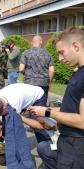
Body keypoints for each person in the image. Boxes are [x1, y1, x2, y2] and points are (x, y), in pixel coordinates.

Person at [29, 27, 84, 169]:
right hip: (67, 143)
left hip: (76, 149)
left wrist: (48, 113)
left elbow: (83, 121)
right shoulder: (78, 73)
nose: (59, 58)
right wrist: (49, 112)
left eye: (61, 52)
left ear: (76, 46)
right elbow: (72, 107)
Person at [19, 35, 55, 106]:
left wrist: (26, 74)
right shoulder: (48, 54)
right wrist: (48, 82)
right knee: (40, 108)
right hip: (43, 83)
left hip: (29, 83)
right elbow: (52, 71)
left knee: (28, 106)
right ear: (41, 42)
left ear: (32, 43)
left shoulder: (26, 53)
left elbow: (21, 69)